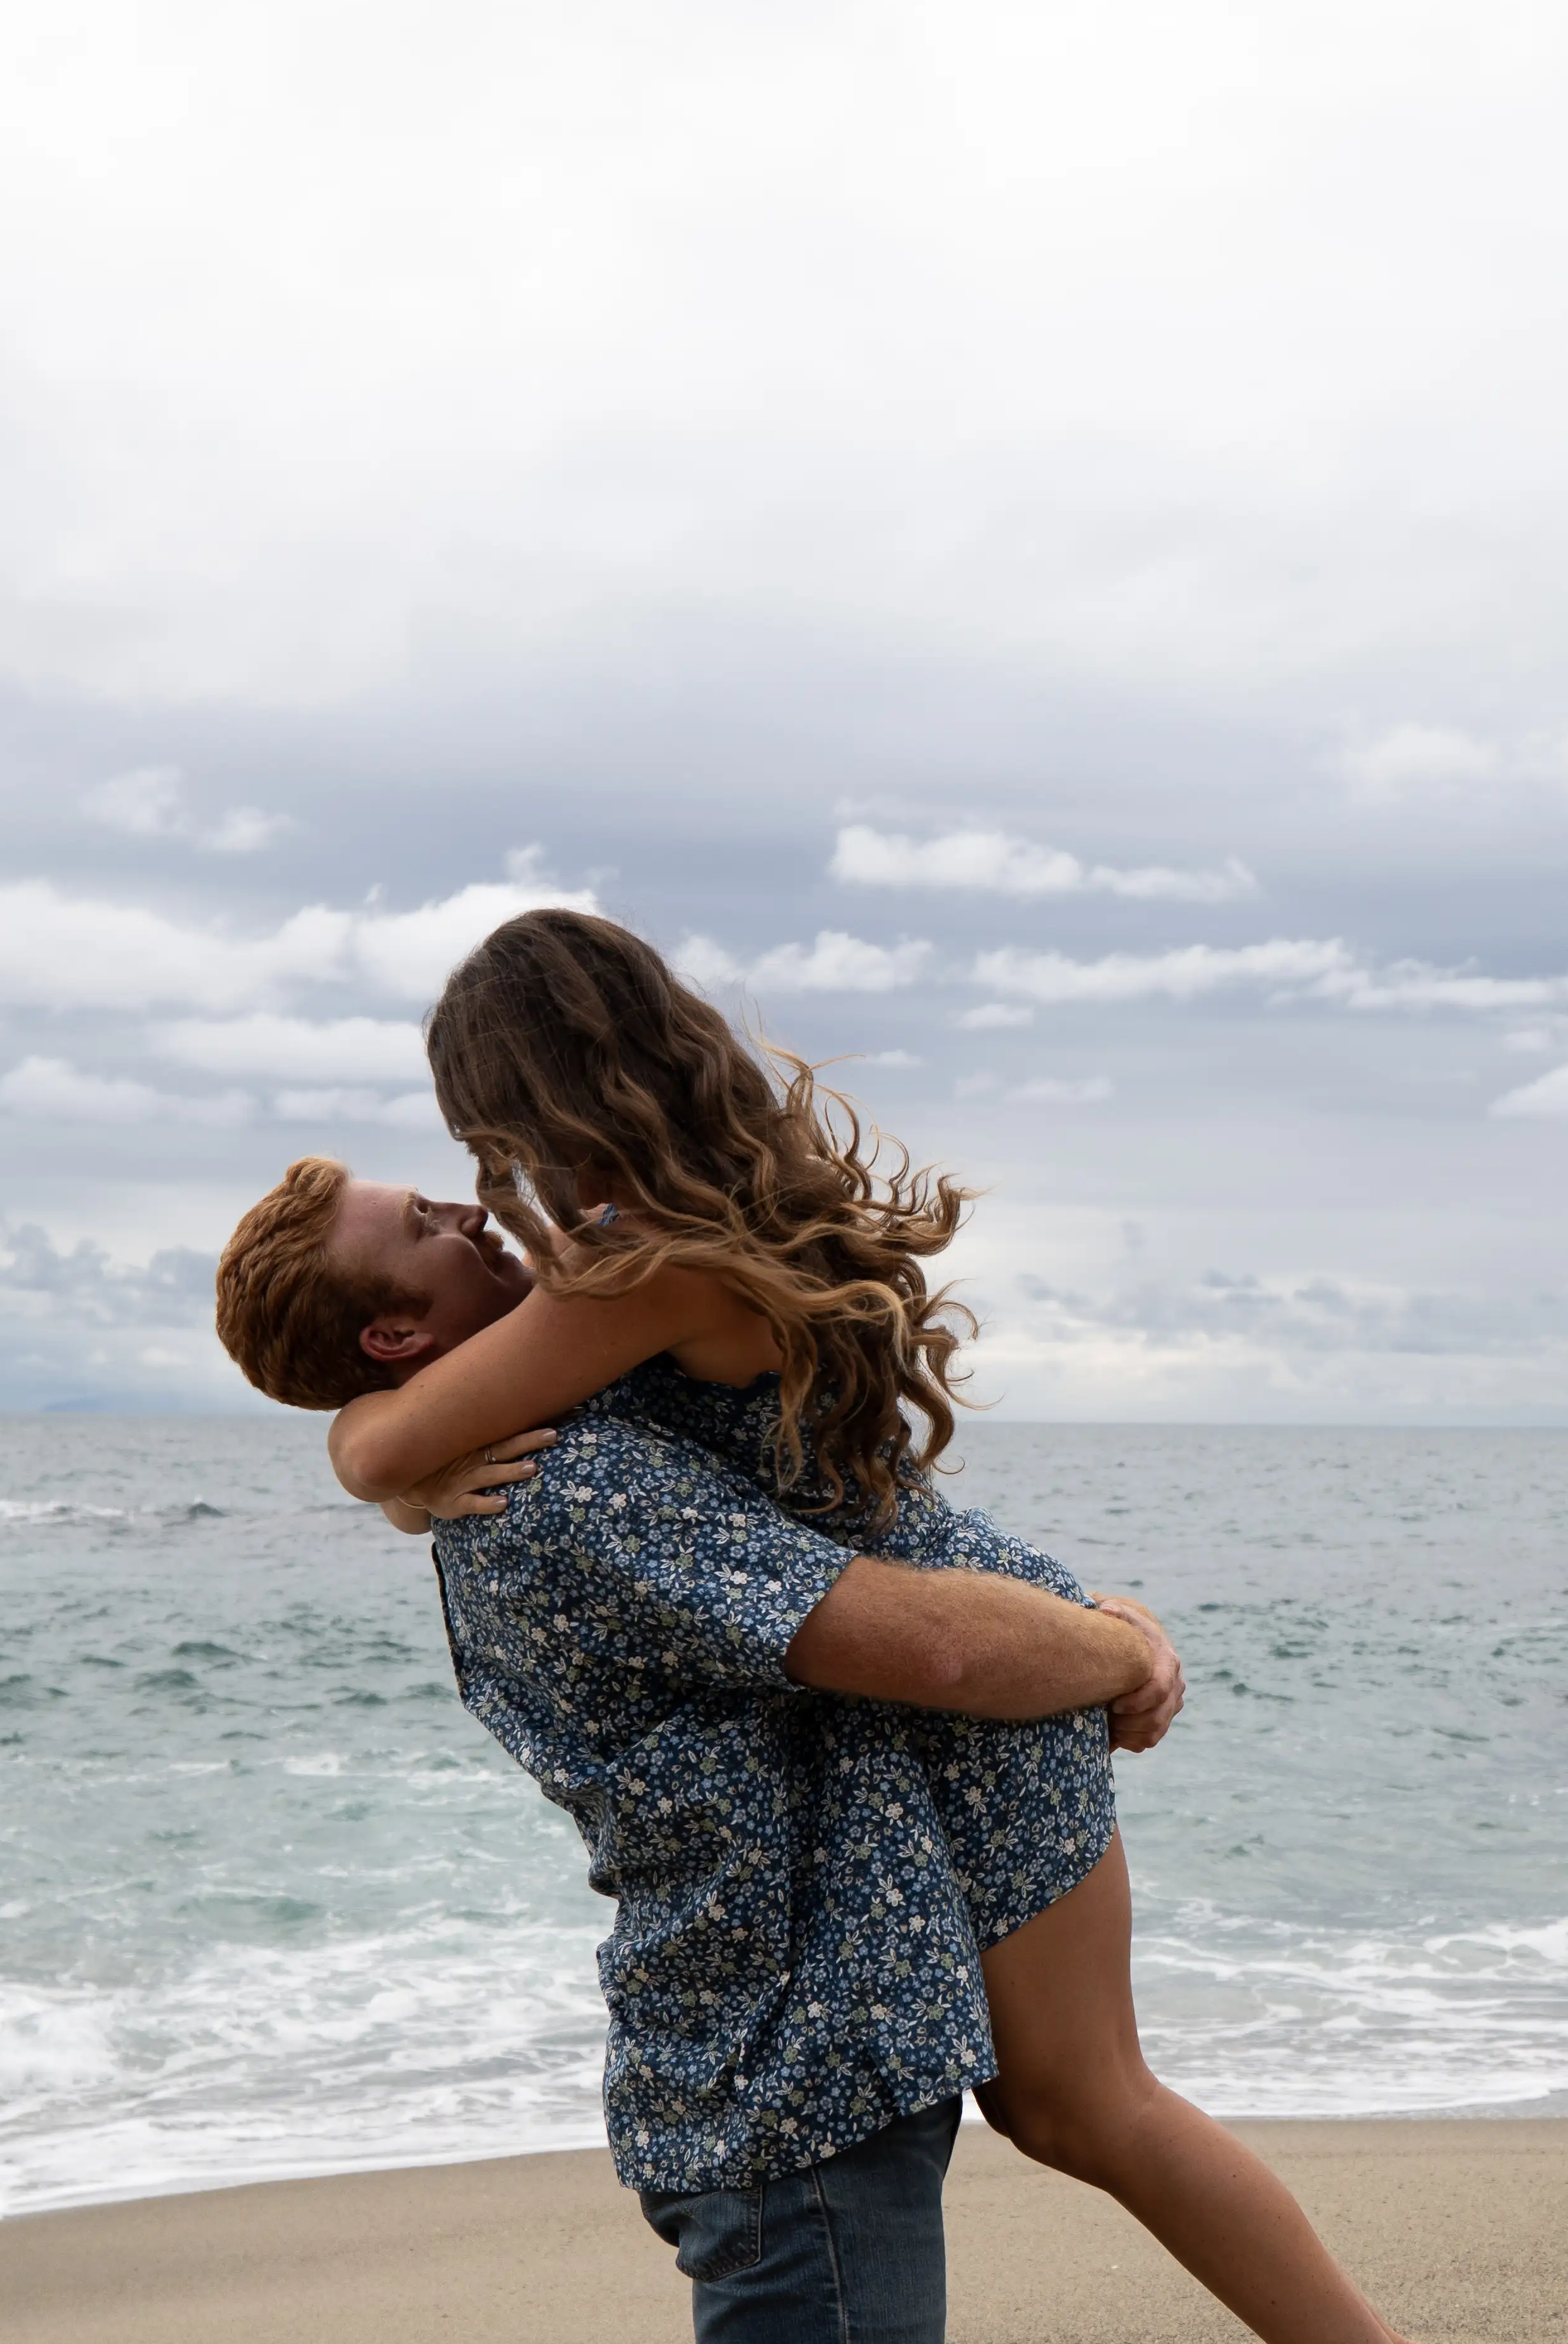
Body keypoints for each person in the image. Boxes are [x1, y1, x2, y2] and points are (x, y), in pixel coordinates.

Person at [216, 913, 1406, 2344]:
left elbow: (401, 1423)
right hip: (964, 1652)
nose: (478, 1196)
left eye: (472, 1152)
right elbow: (431, 1418)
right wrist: (399, 1473)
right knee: (1088, 2105)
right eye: (433, 1210)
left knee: (1091, 2105)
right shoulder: (687, 1226)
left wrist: (381, 1470)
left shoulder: (632, 1266)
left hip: (971, 1680)